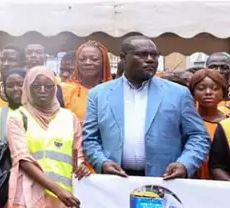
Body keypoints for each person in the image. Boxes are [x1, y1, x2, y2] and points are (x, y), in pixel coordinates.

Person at [83, 36, 209, 179]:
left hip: (165, 181)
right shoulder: (99, 95)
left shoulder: (178, 94)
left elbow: (199, 136)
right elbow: (90, 139)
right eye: (142, 54)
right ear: (123, 58)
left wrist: (184, 164)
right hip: (116, 182)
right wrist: (102, 162)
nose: (150, 59)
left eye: (154, 55)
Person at [3, 66, 84, 208]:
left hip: (64, 205)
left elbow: (77, 155)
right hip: (30, 202)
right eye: (35, 86)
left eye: (48, 86)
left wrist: (81, 169)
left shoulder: (69, 118)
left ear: (55, 88)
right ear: (27, 89)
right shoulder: (18, 117)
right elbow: (22, 159)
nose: (42, 91)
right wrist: (57, 190)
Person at [187, 69, 226, 179]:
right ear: (192, 93)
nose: (208, 92)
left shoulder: (227, 123)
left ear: (223, 92)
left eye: (215, 88)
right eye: (201, 88)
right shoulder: (188, 122)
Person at [60, 41, 112, 121]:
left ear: (104, 63)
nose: (87, 63)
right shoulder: (64, 90)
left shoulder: (113, 91)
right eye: (82, 59)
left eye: (94, 59)